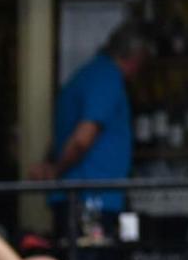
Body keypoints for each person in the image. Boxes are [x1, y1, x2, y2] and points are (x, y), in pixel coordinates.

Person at [30, 23, 149, 234]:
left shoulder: (86, 74)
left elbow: (63, 134)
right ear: (135, 56)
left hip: (82, 197)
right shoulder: (107, 78)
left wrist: (51, 164)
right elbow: (82, 138)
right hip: (91, 200)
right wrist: (55, 170)